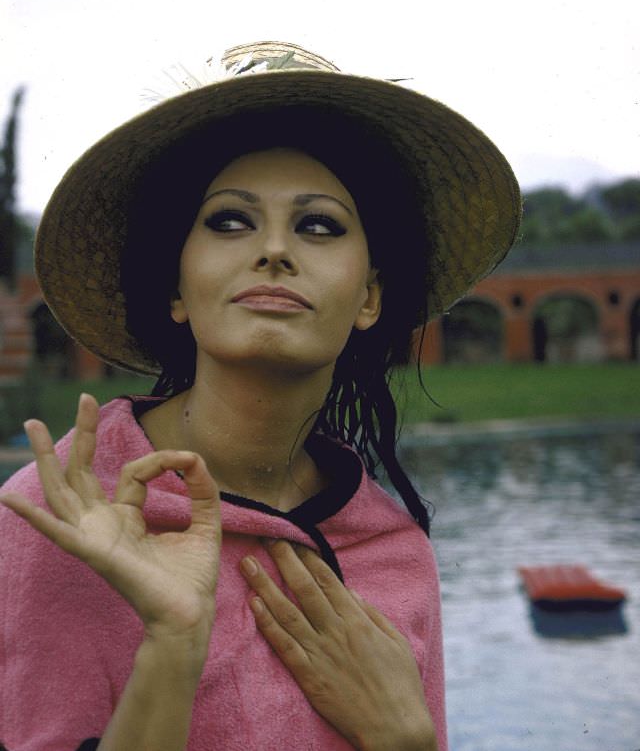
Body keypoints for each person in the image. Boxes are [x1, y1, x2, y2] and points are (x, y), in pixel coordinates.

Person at [0, 41, 521, 751]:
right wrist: (173, 644)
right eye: (229, 220)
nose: (275, 249)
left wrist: (407, 740)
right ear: (177, 287)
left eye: (319, 225)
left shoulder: (395, 552)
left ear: (368, 296)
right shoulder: (59, 522)